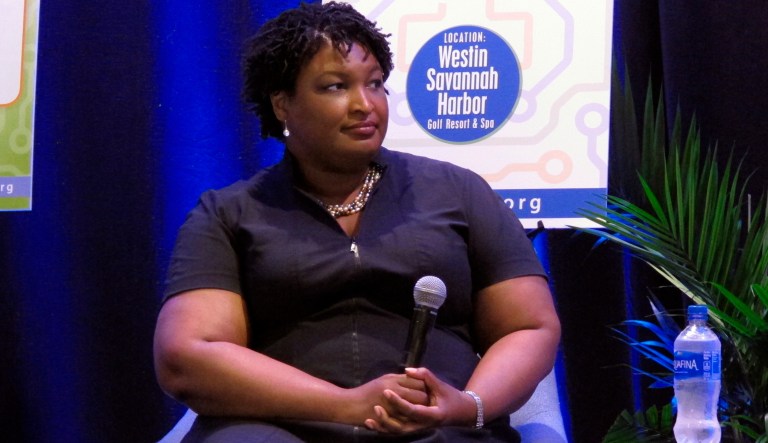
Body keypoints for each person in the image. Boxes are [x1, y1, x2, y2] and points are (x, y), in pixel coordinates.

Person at [153, 2, 560, 442]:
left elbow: (529, 325)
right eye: (335, 86)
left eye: (375, 84)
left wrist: (465, 406)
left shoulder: (458, 192)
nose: (364, 104)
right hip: (279, 424)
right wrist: (345, 405)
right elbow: (187, 355)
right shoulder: (229, 213)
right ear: (282, 104)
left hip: (434, 424)